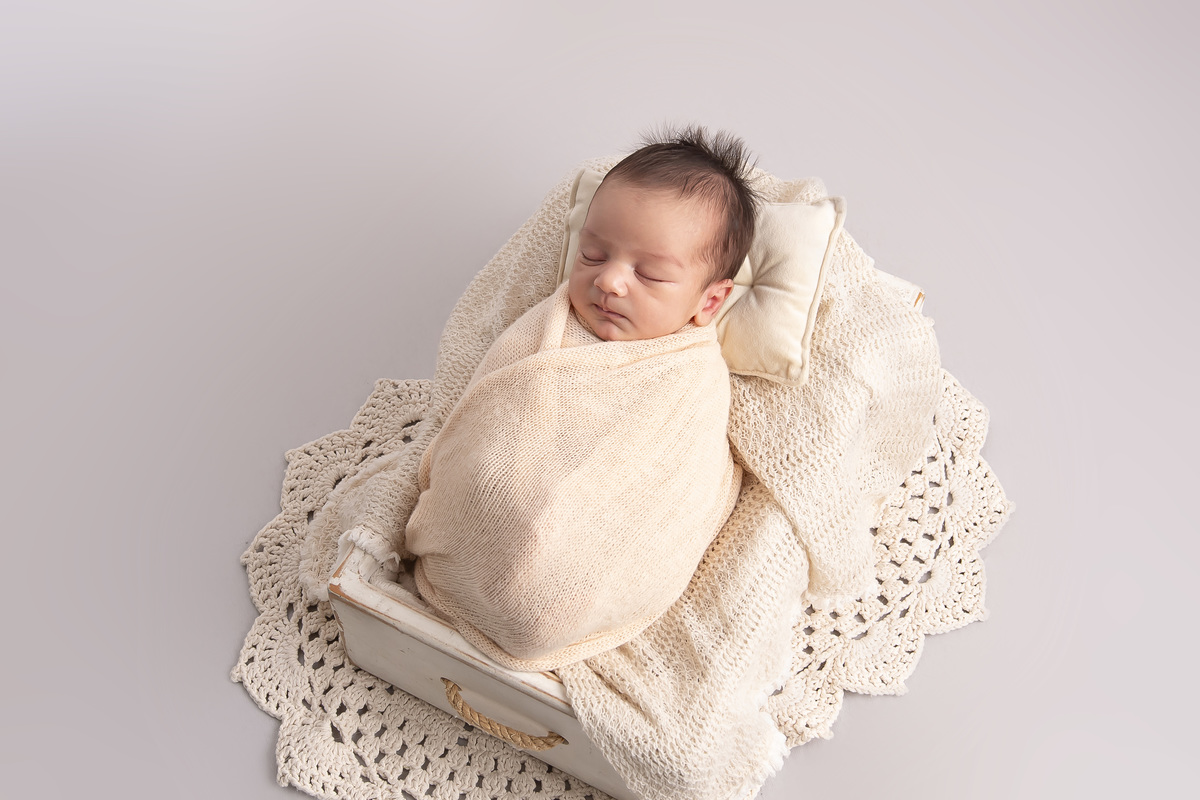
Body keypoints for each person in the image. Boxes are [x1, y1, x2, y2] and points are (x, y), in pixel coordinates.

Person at [404, 126, 761, 671]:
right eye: (593, 254)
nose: (610, 281)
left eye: (649, 274)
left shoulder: (692, 379)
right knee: (487, 484)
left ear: (709, 302)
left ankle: (546, 608)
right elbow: (490, 406)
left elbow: (676, 486)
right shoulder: (551, 323)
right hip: (494, 507)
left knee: (558, 577)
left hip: (587, 552)